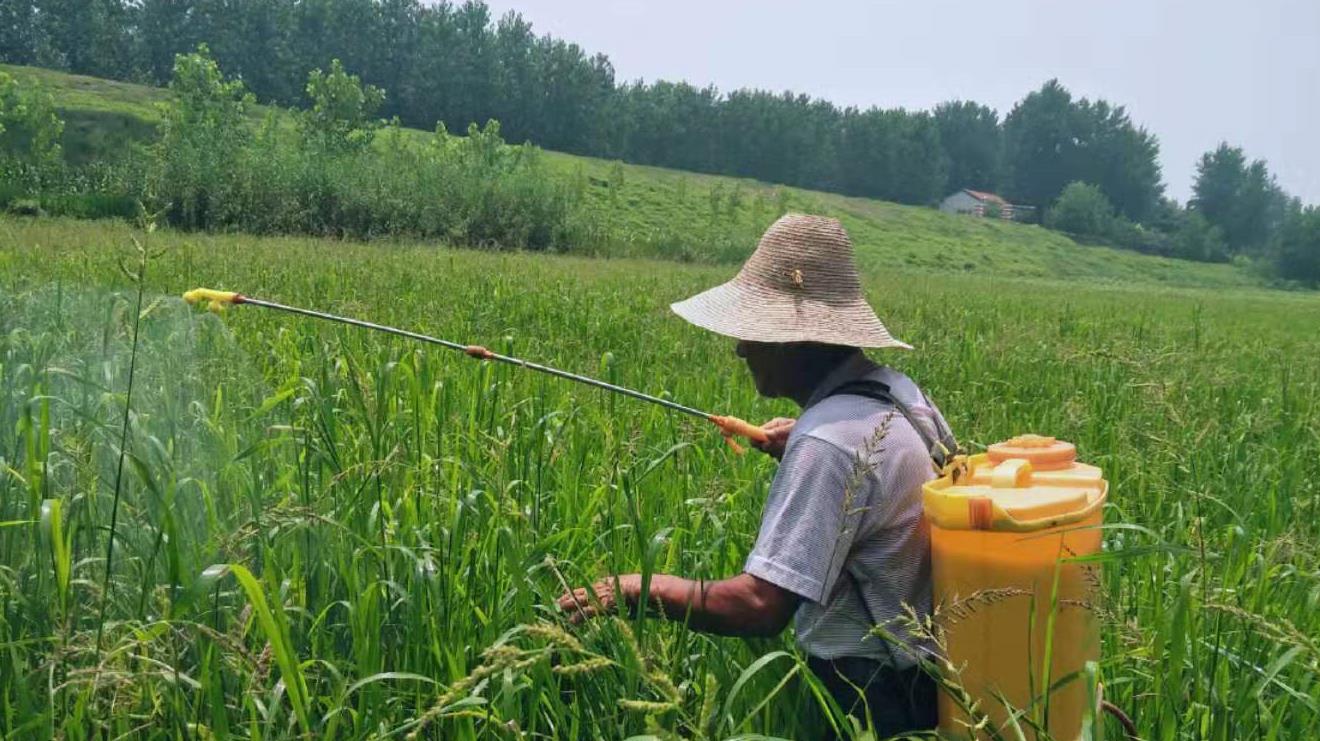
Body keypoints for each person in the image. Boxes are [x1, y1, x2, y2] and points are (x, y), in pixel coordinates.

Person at [555, 213, 955, 738]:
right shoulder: (900, 394)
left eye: (755, 333)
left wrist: (634, 588)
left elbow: (758, 607)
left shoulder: (828, 442)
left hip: (868, 693)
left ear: (795, 341)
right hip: (932, 677)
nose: (741, 348)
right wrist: (813, 446)